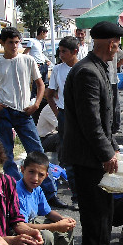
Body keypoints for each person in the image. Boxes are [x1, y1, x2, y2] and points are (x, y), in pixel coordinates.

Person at [62, 20, 123, 245]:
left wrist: (113, 147)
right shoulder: (87, 71)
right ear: (111, 44)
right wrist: (106, 152)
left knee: (105, 204)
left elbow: (107, 118)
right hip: (86, 154)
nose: (118, 49)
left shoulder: (99, 67)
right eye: (117, 45)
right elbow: (91, 121)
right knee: (93, 207)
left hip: (97, 151)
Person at [0, 26, 65, 208]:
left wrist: (36, 104)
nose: (14, 46)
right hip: (3, 111)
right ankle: (16, 192)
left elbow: (40, 85)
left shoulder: (27, 60)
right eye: (10, 43)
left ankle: (50, 193)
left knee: (36, 151)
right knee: (6, 154)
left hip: (24, 112)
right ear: (2, 43)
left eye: (17, 42)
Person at [15, 151, 76, 245]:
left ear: (46, 176)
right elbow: (22, 225)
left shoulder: (37, 189)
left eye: (40, 175)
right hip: (21, 228)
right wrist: (54, 226)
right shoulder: (18, 192)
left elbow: (48, 212)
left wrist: (64, 221)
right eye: (31, 172)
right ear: (22, 170)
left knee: (66, 228)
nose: (35, 178)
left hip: (34, 223)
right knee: (47, 235)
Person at [45, 36, 80, 210]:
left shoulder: (84, 67)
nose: (61, 54)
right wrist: (58, 113)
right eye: (59, 51)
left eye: (64, 51)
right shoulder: (57, 69)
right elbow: (49, 94)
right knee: (68, 156)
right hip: (65, 116)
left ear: (75, 52)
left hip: (83, 116)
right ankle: (76, 196)